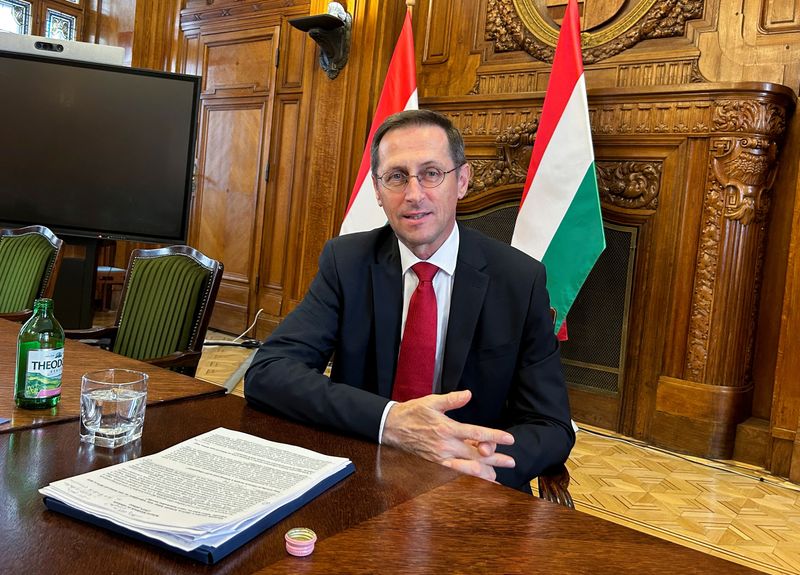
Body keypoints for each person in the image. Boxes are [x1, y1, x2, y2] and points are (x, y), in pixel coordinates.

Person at [244, 109, 574, 492]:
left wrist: (479, 464)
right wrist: (390, 420)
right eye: (397, 177)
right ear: (378, 191)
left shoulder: (519, 279)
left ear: (462, 181)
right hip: (362, 478)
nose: (414, 194)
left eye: (432, 173)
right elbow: (268, 373)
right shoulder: (347, 262)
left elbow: (551, 426)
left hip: (468, 492)